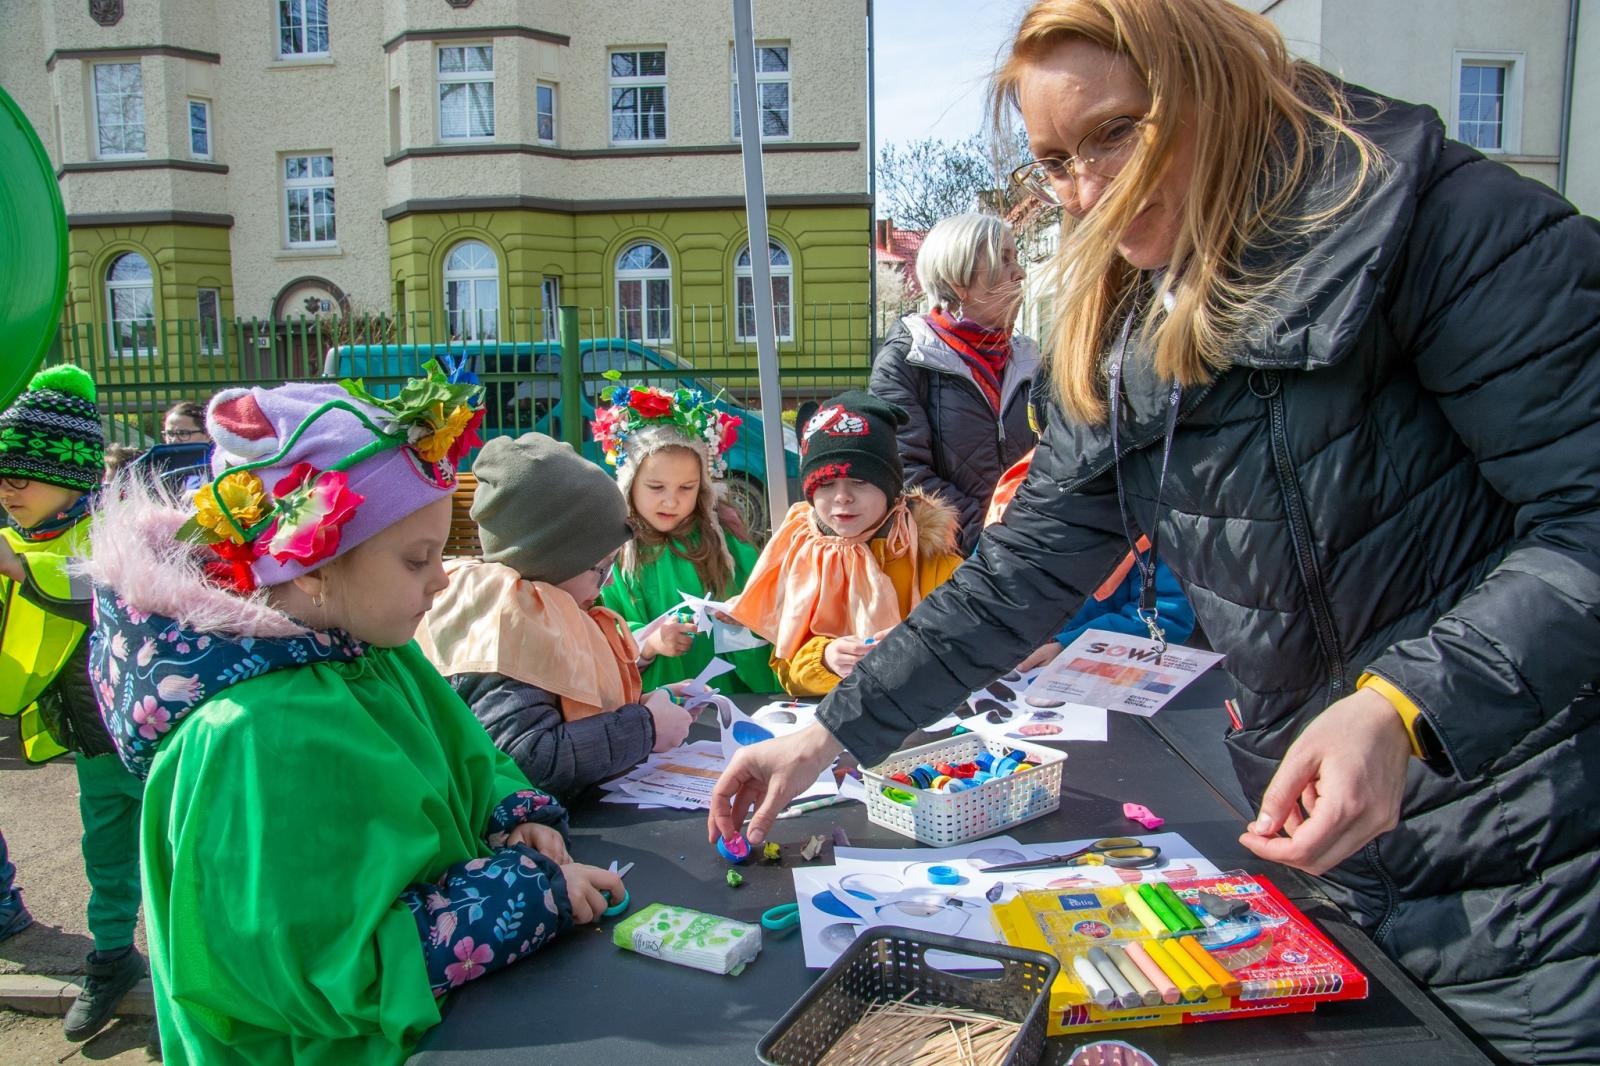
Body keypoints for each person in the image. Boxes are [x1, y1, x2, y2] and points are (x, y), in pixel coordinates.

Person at [710, 1, 1600, 1059]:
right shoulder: (1137, 319)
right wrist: (829, 732)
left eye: (1116, 133)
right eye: (1055, 160)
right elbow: (1020, 575)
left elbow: (1584, 525)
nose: (1088, 189)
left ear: (1212, 93)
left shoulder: (1450, 226)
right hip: (1339, 851)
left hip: (1546, 851)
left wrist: (1401, 706)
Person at [81, 366, 623, 1063]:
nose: (440, 579)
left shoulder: (369, 645)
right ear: (310, 565)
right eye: (418, 559)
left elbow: (468, 753)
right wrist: (534, 891)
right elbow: (330, 968)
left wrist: (513, 813)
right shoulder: (253, 736)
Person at [417, 432, 695, 803]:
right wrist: (645, 729)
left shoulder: (547, 607)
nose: (607, 582)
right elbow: (528, 758)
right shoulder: (504, 623)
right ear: (551, 561)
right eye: (600, 568)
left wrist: (640, 705)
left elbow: (559, 710)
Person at [0, 366, 148, 1042]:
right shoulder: (33, 540)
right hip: (93, 744)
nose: (7, 490)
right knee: (105, 854)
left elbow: (87, 587)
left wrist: (20, 571)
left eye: (20, 474)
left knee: (181, 857)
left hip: (149, 742)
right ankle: (112, 957)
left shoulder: (108, 532)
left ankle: (197, 974)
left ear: (73, 476)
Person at [726, 391, 964, 697]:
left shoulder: (927, 556)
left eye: (860, 481)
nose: (842, 497)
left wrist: (922, 644)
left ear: (890, 488)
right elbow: (785, 667)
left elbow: (968, 639)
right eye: (825, 484)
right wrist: (824, 659)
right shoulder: (803, 555)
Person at [868, 212, 1039, 553]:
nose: (1019, 272)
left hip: (1030, 554)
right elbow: (906, 472)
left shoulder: (1032, 360)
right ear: (959, 280)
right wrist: (993, 539)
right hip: (952, 563)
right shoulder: (908, 359)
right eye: (1004, 260)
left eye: (1016, 259)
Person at [593, 384, 779, 693]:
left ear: (703, 487)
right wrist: (650, 642)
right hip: (654, 701)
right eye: (656, 487)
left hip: (727, 695)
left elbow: (764, 608)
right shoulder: (613, 551)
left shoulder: (724, 543)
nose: (671, 501)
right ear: (629, 484)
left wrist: (743, 618)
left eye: (686, 488)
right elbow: (602, 624)